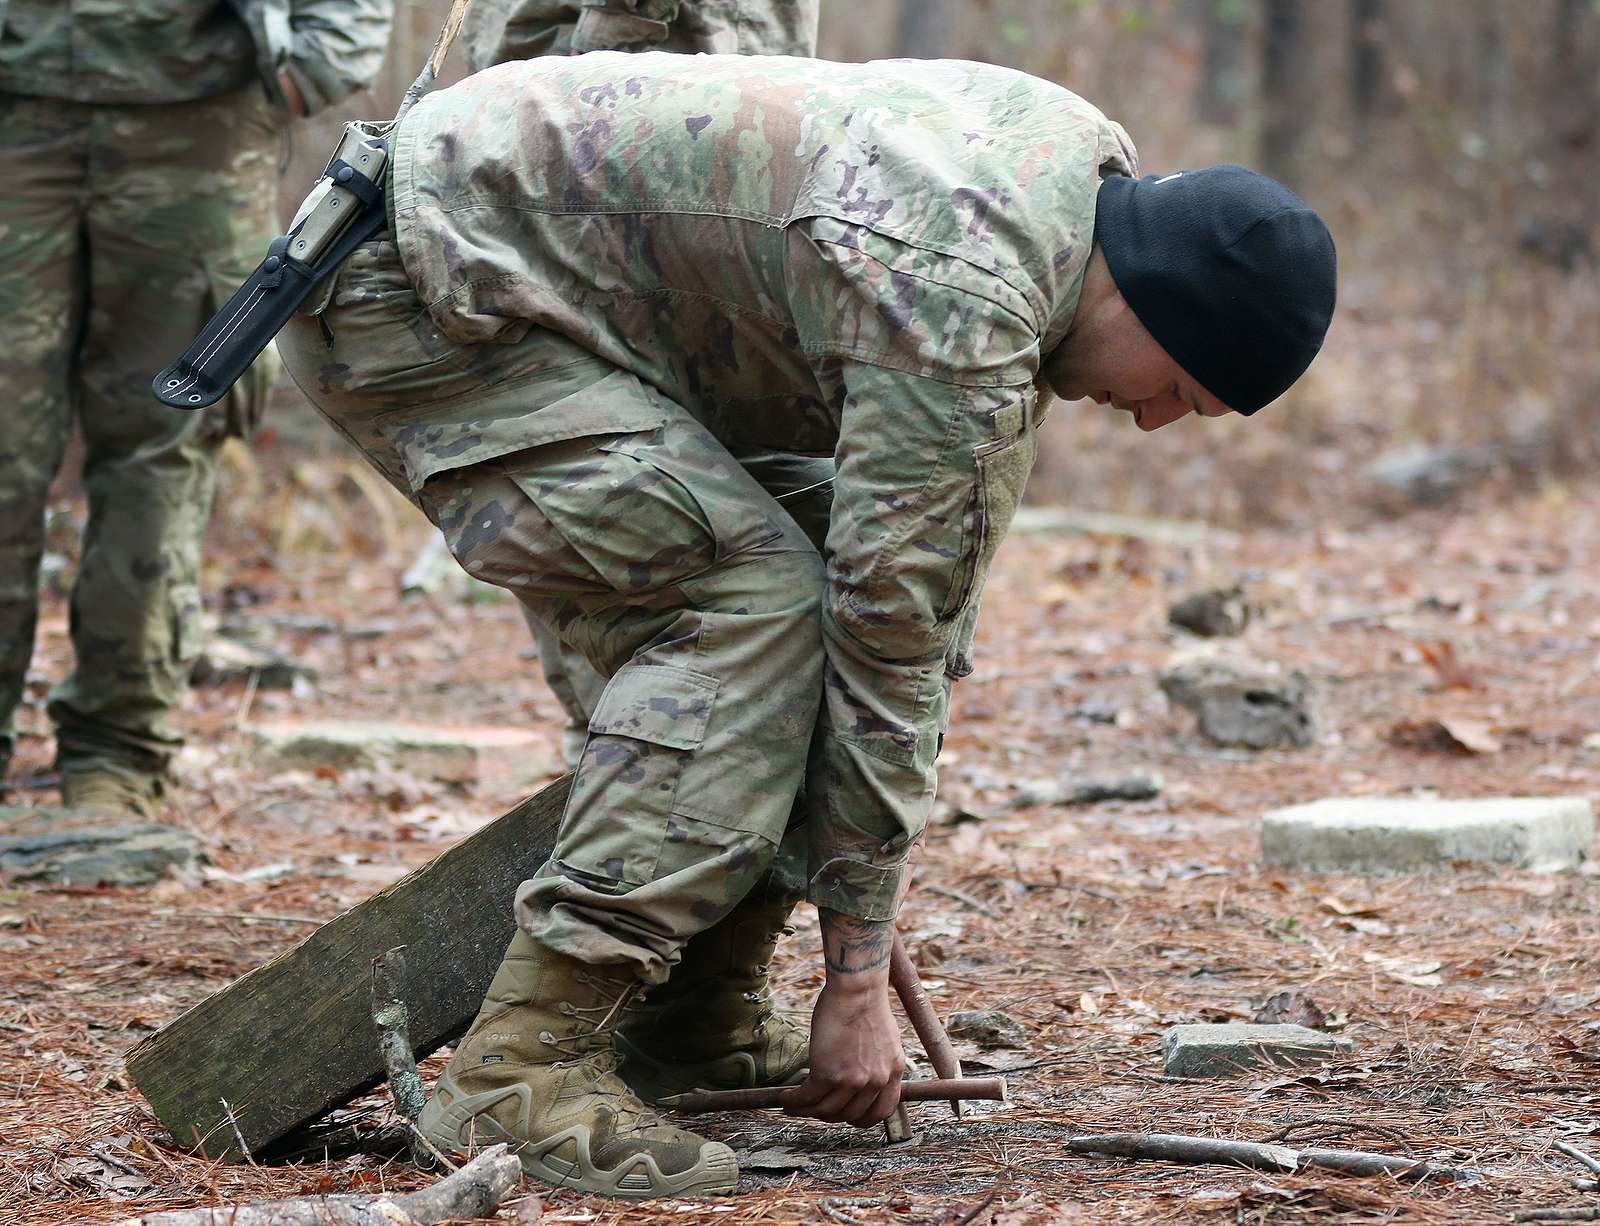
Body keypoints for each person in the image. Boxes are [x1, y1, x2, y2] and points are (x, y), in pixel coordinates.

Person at [274, 52, 1336, 1198]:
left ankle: (692, 1015)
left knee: (811, 572)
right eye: (1179, 385)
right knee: (755, 606)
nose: (1154, 421)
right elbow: (892, 633)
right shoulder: (965, 295)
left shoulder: (1070, 181)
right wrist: (855, 976)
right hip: (418, 293)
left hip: (540, 292)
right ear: (1145, 298)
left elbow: (920, 598)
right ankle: (523, 1060)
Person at [0, 0, 393, 813]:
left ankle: (117, 758)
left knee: (165, 435)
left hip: (199, 122)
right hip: (15, 113)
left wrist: (312, 62)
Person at [462, 0, 823, 770]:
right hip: (601, 111)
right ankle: (631, 770)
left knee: (726, 507)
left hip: (682, 109)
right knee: (612, 481)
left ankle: (652, 774)